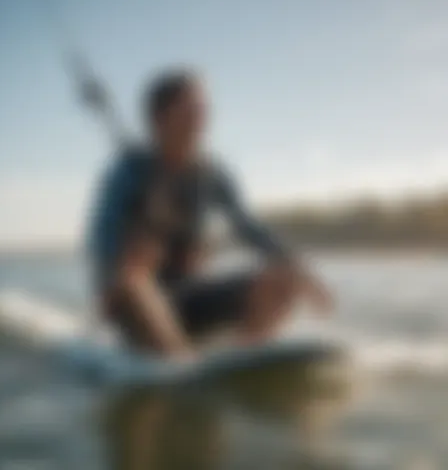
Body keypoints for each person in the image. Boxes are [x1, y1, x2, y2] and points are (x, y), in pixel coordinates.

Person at [86, 69, 331, 359]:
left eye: (203, 110)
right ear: (159, 119)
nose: (202, 119)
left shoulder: (212, 173)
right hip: (134, 300)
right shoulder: (129, 171)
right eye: (190, 110)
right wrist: (113, 280)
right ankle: (181, 366)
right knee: (133, 276)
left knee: (284, 278)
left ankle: (244, 360)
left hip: (189, 297)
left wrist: (296, 266)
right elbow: (104, 235)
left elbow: (248, 228)